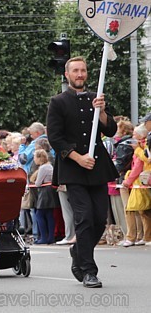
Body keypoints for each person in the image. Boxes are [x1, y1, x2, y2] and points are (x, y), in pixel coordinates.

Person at [46, 56, 118, 289]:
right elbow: (55, 137)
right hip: (73, 168)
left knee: (99, 219)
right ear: (67, 74)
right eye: (75, 71)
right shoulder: (58, 102)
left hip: (97, 167)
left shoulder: (96, 98)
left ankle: (78, 250)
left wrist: (103, 111)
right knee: (84, 217)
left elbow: (110, 129)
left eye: (83, 70)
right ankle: (88, 270)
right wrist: (77, 157)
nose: (80, 74)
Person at [119, 125, 151, 246]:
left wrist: (127, 181)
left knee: (134, 209)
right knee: (142, 211)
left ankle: (133, 237)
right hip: (140, 180)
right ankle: (143, 236)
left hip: (140, 181)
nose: (133, 137)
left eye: (135, 135)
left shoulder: (142, 147)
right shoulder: (143, 146)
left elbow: (141, 164)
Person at [32, 149, 58, 244]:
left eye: (35, 157)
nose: (34, 159)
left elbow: (38, 183)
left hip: (45, 192)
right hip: (50, 191)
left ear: (39, 158)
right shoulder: (49, 166)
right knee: (49, 215)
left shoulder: (43, 168)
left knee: (39, 214)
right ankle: (50, 237)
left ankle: (43, 237)